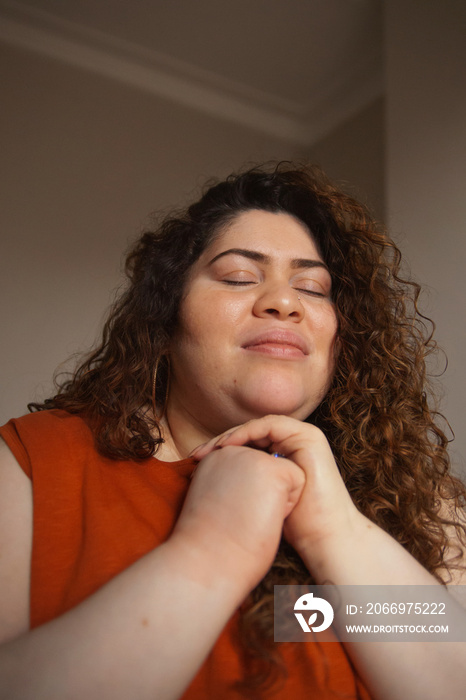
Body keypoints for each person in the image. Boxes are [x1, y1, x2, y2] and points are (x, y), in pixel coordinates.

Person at [0, 162, 465, 700]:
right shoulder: (34, 464)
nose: (284, 301)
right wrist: (213, 548)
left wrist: (332, 530)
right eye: (239, 277)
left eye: (313, 289)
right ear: (166, 320)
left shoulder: (416, 504)